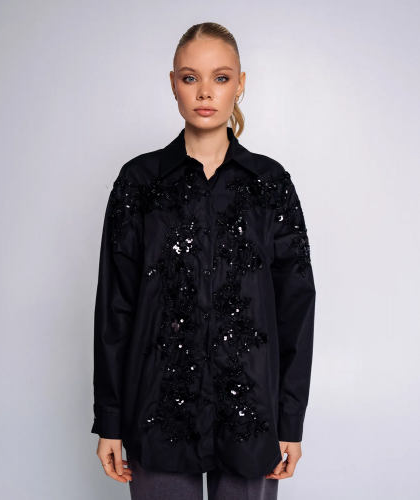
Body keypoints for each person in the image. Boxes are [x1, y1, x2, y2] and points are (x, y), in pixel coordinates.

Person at [91, 22, 316, 500]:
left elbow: (295, 308)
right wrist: (109, 419)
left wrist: (290, 420)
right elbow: (115, 307)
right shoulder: (139, 183)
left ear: (240, 84)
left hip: (251, 415)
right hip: (157, 413)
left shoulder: (270, 185)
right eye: (191, 77)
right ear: (173, 83)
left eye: (221, 77)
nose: (205, 92)